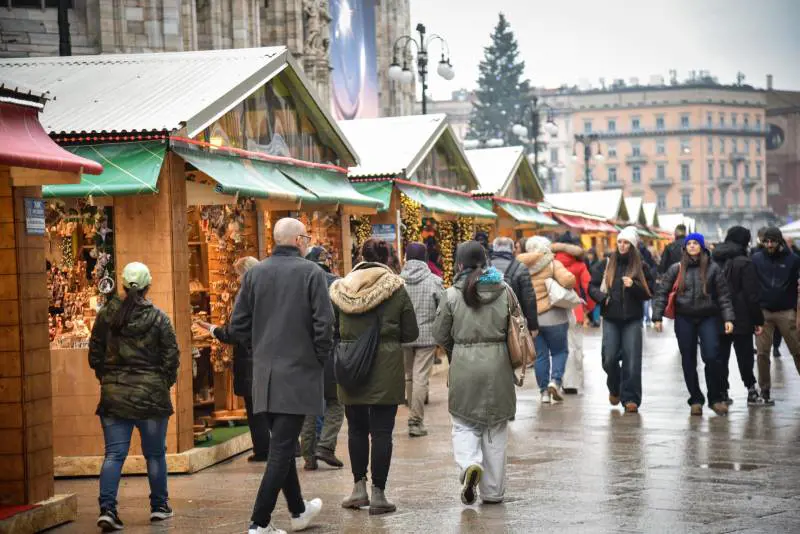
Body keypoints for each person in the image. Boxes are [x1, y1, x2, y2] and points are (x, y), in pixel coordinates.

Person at [227, 218, 333, 534]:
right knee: (281, 449)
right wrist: (318, 358)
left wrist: (260, 349)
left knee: (282, 445)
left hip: (264, 375)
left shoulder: (255, 273)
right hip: (298, 374)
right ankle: (259, 523)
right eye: (306, 237)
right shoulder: (311, 273)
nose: (307, 241)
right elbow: (324, 324)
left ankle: (299, 511)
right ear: (299, 240)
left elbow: (237, 325)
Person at [330, 238, 418, 515]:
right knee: (382, 432)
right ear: (388, 258)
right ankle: (379, 494)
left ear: (360, 257)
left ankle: (358, 489)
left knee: (356, 429)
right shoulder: (396, 288)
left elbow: (333, 328)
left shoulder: (341, 288)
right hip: (386, 367)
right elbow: (411, 332)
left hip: (351, 366)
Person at [88, 262, 180, 531]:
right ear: (148, 285)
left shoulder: (105, 316)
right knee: (155, 454)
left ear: (123, 285)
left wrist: (108, 379)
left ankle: (107, 509)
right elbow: (171, 357)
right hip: (151, 397)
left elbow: (95, 354)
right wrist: (162, 383)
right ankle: (159, 506)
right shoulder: (159, 318)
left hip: (114, 396)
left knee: (114, 455)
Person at [433, 241, 515, 506]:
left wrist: (456, 350)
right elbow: (517, 326)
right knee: (495, 428)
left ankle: (469, 464)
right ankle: (493, 492)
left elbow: (439, 334)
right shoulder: (505, 291)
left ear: (459, 264)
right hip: (499, 366)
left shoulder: (451, 295)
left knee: (464, 423)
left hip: (464, 366)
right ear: (486, 261)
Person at [196, 257, 270, 462]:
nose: (237, 280)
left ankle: (263, 450)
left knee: (255, 409)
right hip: (269, 359)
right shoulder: (269, 294)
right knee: (270, 407)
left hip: (251, 361)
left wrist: (212, 329)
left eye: (238, 275)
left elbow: (235, 333)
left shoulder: (246, 297)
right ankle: (287, 447)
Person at [652, 232, 735, 417]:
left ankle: (714, 398)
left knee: (712, 356)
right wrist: (657, 317)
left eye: (695, 243)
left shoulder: (713, 268)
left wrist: (728, 318)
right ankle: (696, 399)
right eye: (689, 243)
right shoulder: (676, 268)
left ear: (702, 247)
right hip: (684, 318)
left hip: (708, 317)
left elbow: (723, 295)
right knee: (688, 359)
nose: (691, 246)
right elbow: (662, 292)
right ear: (685, 247)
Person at [588, 227, 654, 413]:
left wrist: (634, 286)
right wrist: (602, 298)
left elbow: (650, 292)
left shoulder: (641, 266)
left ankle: (631, 398)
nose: (622, 245)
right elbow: (592, 286)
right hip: (611, 317)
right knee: (608, 359)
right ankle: (615, 387)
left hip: (632, 319)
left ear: (633, 245)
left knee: (631, 361)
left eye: (626, 243)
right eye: (620, 242)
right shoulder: (606, 263)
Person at [300, 246, 345, 470]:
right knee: (336, 401)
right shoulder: (337, 284)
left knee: (310, 404)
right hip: (332, 349)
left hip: (304, 351)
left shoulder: (300, 284)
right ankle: (326, 445)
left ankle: (308, 456)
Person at [517, 236, 576, 404]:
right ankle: (555, 381)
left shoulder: (520, 265)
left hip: (532, 319)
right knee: (560, 351)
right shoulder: (552, 263)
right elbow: (568, 281)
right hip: (554, 316)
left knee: (540, 356)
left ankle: (543, 392)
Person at [711, 227, 766, 406]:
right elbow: (752, 295)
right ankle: (751, 390)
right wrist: (758, 320)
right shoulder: (745, 262)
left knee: (721, 356)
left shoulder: (713, 259)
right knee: (745, 356)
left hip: (719, 315)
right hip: (742, 317)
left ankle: (722, 392)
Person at [751, 226, 800, 405]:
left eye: (772, 241)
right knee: (762, 353)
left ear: (779, 241)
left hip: (786, 311)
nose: (769, 244)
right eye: (767, 241)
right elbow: (751, 284)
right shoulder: (756, 258)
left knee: (797, 349)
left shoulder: (793, 259)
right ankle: (764, 390)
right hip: (763, 311)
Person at [400, 242, 443, 438]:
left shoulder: (398, 282)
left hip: (404, 337)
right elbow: (443, 309)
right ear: (425, 257)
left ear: (406, 257)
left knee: (408, 376)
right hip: (426, 337)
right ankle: (415, 420)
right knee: (420, 378)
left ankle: (412, 414)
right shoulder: (434, 281)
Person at [552, 234, 594, 394]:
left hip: (554, 310)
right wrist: (589, 307)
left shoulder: (551, 263)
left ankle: (557, 379)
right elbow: (588, 287)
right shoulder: (580, 265)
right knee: (575, 346)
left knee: (557, 348)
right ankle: (571, 383)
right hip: (575, 309)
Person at [489, 236, 539, 334]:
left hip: (489, 322)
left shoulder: (484, 267)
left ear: (494, 248)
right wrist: (533, 326)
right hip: (514, 323)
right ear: (512, 249)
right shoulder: (521, 267)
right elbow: (528, 299)